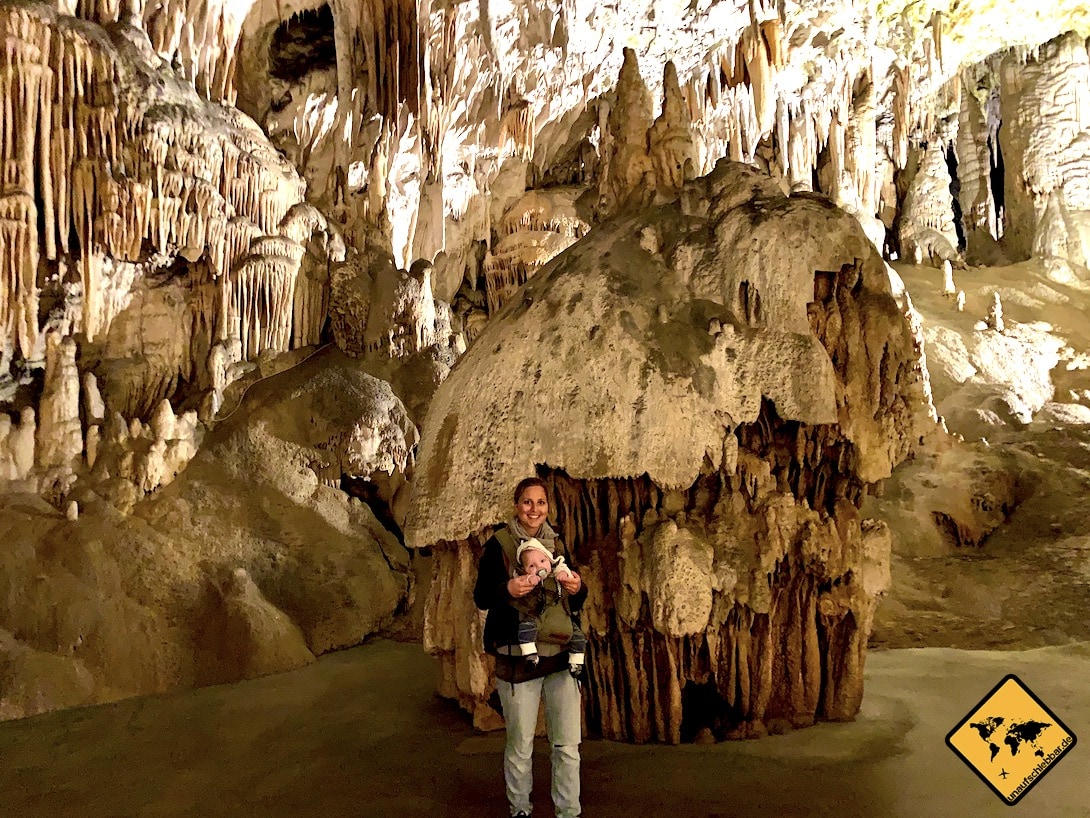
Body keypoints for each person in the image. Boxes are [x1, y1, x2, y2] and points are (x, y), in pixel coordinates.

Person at [474, 477, 587, 818]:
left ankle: (568, 811)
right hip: (517, 656)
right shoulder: (499, 545)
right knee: (521, 745)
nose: (534, 509)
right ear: (516, 506)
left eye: (540, 502)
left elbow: (575, 601)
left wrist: (577, 586)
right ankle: (520, 809)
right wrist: (508, 587)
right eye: (527, 502)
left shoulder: (557, 543)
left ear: (547, 507)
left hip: (560, 655)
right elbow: (481, 596)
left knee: (567, 744)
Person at [512, 538, 587, 676]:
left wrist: (566, 577)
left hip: (561, 616)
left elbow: (565, 572)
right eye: (532, 566)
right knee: (526, 627)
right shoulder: (527, 579)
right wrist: (530, 580)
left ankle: (576, 663)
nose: (539, 568)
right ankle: (530, 655)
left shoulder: (557, 572)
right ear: (525, 569)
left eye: (542, 561)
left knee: (578, 636)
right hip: (539, 617)